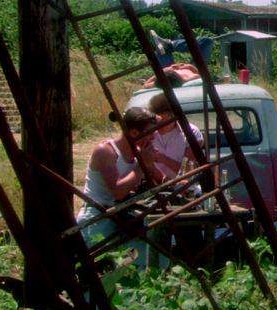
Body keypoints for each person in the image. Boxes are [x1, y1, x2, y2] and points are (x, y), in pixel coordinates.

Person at [75, 107, 157, 246]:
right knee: (106, 263)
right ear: (134, 132)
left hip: (123, 215)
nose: (153, 137)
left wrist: (150, 164)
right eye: (149, 133)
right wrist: (141, 166)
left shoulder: (138, 152)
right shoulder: (106, 151)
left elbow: (158, 181)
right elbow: (118, 192)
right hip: (98, 217)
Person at [146, 93, 204, 188]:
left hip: (185, 188)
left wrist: (162, 158)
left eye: (163, 119)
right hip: (154, 188)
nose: (158, 123)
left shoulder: (190, 132)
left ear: (172, 115)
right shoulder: (148, 134)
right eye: (156, 120)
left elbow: (188, 170)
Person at [149, 30, 214, 69]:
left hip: (173, 74)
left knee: (163, 53)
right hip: (191, 71)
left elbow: (147, 85)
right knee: (208, 41)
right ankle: (169, 45)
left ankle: (169, 45)